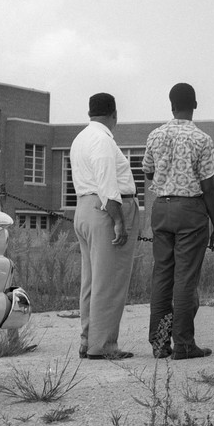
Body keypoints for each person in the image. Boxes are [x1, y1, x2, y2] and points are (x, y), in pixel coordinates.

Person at [142, 82, 214, 360]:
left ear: (170, 105)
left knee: (162, 275)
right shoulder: (201, 139)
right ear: (195, 105)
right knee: (185, 279)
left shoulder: (155, 135)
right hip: (190, 211)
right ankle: (184, 344)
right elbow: (209, 186)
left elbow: (149, 173)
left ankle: (159, 342)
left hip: (162, 209)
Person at [69, 93, 139, 360]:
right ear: (114, 114)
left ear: (90, 112)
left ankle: (88, 340)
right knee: (109, 282)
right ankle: (104, 345)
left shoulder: (80, 138)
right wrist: (119, 221)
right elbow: (108, 185)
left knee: (91, 280)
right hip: (104, 211)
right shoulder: (102, 140)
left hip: (84, 208)